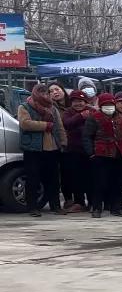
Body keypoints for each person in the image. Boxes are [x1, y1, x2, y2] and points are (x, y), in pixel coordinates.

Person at [17, 84, 66, 216]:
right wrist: (45, 125)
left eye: (46, 92)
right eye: (41, 92)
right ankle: (32, 207)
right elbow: (25, 123)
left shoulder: (52, 107)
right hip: (33, 148)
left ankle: (55, 206)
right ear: (35, 93)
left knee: (54, 179)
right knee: (32, 178)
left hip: (52, 148)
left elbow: (59, 126)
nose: (45, 95)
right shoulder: (25, 106)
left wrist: (63, 142)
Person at [83, 93, 122, 218]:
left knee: (119, 183)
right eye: (105, 104)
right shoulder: (94, 118)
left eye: (111, 104)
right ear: (101, 105)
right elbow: (87, 136)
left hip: (120, 154)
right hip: (101, 154)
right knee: (99, 182)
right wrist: (91, 153)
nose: (109, 107)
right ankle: (97, 208)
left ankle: (117, 207)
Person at [61, 90, 92, 213]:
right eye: (75, 101)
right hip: (73, 150)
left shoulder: (92, 111)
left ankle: (92, 202)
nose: (78, 104)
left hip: (89, 150)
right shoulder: (68, 112)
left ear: (85, 102)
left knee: (91, 178)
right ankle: (79, 202)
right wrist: (80, 116)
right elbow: (67, 124)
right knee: (76, 178)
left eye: (80, 101)